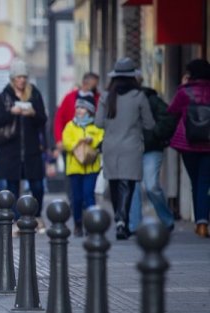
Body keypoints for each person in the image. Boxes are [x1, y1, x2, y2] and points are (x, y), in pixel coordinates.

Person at [94, 57, 155, 240]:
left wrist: (112, 125)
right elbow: (150, 124)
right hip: (132, 145)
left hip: (111, 146)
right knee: (127, 184)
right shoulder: (139, 97)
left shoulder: (106, 96)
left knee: (114, 184)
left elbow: (98, 123)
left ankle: (119, 219)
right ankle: (123, 221)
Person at [0, 59, 48, 230]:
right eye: (18, 77)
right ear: (12, 78)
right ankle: (16, 220)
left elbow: (43, 119)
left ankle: (36, 215)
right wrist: (11, 112)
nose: (21, 80)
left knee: (37, 184)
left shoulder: (34, 93)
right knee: (12, 186)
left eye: (24, 77)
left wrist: (33, 113)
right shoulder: (4, 96)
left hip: (32, 149)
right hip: (11, 150)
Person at [167, 58, 210, 238]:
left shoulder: (185, 92)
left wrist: (182, 86)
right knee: (204, 183)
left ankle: (200, 223)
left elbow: (172, 111)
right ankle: (202, 222)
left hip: (188, 144)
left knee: (196, 182)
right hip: (208, 144)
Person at [128, 81, 178, 233]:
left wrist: (155, 134)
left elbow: (169, 118)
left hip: (151, 149)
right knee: (134, 187)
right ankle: (135, 226)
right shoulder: (121, 101)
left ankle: (167, 219)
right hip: (131, 150)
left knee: (151, 186)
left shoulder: (152, 99)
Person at [62, 95, 104, 237]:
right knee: (77, 198)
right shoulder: (70, 125)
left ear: (90, 111)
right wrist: (79, 142)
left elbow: (101, 138)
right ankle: (78, 223)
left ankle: (92, 224)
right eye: (78, 107)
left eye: (83, 107)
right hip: (75, 168)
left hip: (92, 167)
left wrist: (92, 141)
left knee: (89, 195)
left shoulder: (95, 126)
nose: (79, 110)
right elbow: (66, 142)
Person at [54, 72, 100, 152]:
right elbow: (59, 119)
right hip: (71, 141)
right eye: (93, 87)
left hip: (90, 145)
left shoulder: (98, 98)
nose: (95, 90)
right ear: (85, 84)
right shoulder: (69, 98)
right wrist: (59, 139)